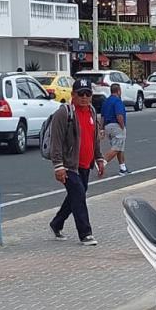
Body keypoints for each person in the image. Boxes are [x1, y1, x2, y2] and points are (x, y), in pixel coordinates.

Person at [49, 79, 106, 244]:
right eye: (81, 94)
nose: (84, 97)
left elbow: (94, 138)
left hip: (85, 164)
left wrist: (99, 158)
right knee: (79, 195)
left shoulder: (92, 112)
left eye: (88, 94)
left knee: (75, 196)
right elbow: (56, 141)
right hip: (68, 166)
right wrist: (58, 166)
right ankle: (85, 233)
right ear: (73, 94)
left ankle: (56, 223)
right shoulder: (64, 113)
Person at [101, 83, 129, 174]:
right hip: (116, 126)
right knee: (116, 148)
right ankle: (102, 163)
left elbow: (102, 117)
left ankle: (123, 167)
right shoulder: (117, 101)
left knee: (120, 147)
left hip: (107, 126)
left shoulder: (106, 101)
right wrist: (122, 126)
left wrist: (102, 128)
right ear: (118, 91)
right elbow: (119, 115)